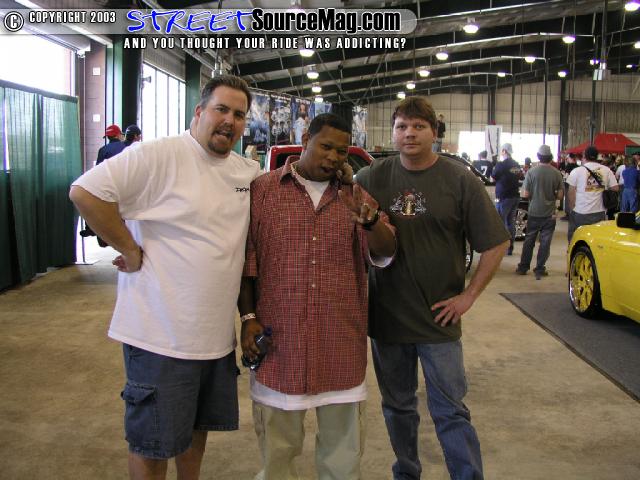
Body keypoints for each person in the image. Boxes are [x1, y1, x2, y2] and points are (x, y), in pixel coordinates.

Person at [69, 75, 260, 480]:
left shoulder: (246, 172)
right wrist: (129, 248)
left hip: (213, 340)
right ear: (199, 112)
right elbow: (85, 192)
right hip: (159, 336)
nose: (230, 120)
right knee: (152, 443)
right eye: (221, 109)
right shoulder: (158, 155)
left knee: (195, 431)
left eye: (239, 114)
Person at [356, 96, 510, 480]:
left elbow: (496, 242)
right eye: (402, 126)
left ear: (434, 133)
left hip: (439, 321)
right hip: (388, 320)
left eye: (418, 126)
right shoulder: (374, 176)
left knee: (451, 411)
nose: (409, 133)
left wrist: (468, 296)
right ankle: (407, 472)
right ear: (393, 132)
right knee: (398, 408)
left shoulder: (459, 180)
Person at [238, 113, 396, 480]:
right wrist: (247, 319)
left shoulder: (355, 197)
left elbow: (387, 251)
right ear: (306, 138)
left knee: (342, 462)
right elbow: (247, 262)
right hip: (281, 350)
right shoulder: (263, 191)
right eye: (326, 146)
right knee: (277, 458)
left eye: (341, 152)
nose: (333, 157)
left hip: (339, 349)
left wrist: (370, 222)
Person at [516, 145, 564, 279]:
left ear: (538, 157)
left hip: (534, 212)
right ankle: (540, 268)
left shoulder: (532, 172)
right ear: (551, 157)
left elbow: (525, 194)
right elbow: (560, 195)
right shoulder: (556, 173)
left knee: (529, 240)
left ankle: (523, 267)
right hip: (550, 214)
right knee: (545, 242)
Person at [566, 146, 619, 243]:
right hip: (599, 211)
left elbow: (571, 191)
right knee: (596, 239)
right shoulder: (606, 170)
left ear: (584, 156)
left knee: (577, 238)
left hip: (580, 211)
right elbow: (615, 188)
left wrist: (572, 207)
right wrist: (601, 188)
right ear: (597, 156)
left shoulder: (577, 171)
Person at [492, 143, 522, 255]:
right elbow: (518, 176)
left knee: (499, 223)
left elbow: (493, 177)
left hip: (503, 197)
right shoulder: (516, 164)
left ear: (504, 151)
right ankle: (510, 247)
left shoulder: (501, 165)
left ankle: (500, 248)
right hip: (514, 196)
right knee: (510, 222)